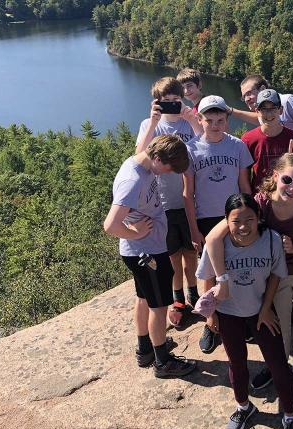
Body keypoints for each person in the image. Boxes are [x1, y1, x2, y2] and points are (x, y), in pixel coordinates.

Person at [204, 153, 293, 406]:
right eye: (287, 180)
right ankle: (276, 366)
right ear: (275, 176)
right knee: (276, 325)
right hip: (272, 276)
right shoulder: (259, 204)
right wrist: (222, 280)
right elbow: (215, 237)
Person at [195, 193, 293, 429]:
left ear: (259, 218)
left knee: (277, 364)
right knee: (237, 363)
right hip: (229, 312)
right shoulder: (218, 246)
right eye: (236, 220)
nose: (243, 226)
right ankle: (244, 406)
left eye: (249, 219)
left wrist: (266, 309)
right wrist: (211, 316)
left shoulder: (272, 241)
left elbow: (276, 275)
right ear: (226, 221)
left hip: (260, 311)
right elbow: (205, 279)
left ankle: (289, 415)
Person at [103, 134, 196, 378]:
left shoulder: (141, 164)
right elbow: (110, 225)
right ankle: (163, 362)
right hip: (147, 254)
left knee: (143, 298)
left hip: (144, 250)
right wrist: (135, 234)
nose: (168, 173)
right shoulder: (133, 180)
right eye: (168, 167)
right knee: (159, 306)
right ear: (156, 158)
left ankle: (145, 349)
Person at [182, 95, 253, 353]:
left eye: (220, 120)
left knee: (236, 266)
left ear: (226, 120)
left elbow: (245, 186)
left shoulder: (237, 147)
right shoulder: (191, 149)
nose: (214, 124)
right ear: (199, 120)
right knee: (209, 272)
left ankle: (240, 317)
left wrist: (251, 219)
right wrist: (193, 229)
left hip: (234, 216)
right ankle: (211, 321)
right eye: (209, 120)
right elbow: (187, 194)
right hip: (206, 219)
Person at [135, 77, 202, 329]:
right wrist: (153, 122)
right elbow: (138, 156)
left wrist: (193, 121)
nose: (173, 105)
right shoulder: (149, 124)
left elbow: (203, 147)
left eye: (176, 100)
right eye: (167, 102)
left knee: (189, 251)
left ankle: (194, 292)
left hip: (187, 199)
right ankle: (179, 299)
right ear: (157, 103)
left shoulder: (189, 122)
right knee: (172, 254)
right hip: (161, 203)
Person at [241, 88, 293, 190]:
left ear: (281, 110)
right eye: (264, 109)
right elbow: (243, 177)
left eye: (273, 108)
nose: (269, 114)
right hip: (259, 199)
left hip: (288, 196)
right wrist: (249, 202)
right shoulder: (248, 139)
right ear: (257, 111)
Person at [231, 75, 293, 142]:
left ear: (262, 89)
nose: (247, 99)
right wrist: (231, 111)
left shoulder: (287, 101)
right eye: (244, 97)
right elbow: (259, 119)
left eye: (249, 93)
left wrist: (287, 140)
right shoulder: (263, 113)